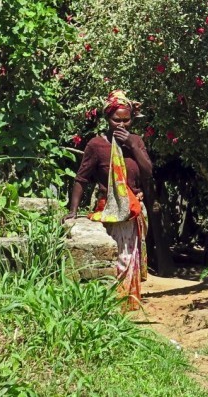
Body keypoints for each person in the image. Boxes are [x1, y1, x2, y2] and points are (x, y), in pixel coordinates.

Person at [63, 90, 153, 310]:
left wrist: (131, 145)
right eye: (116, 120)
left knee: (128, 257)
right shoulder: (96, 145)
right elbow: (82, 178)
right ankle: (112, 304)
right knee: (116, 258)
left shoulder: (136, 142)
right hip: (109, 211)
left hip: (132, 212)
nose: (121, 125)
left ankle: (128, 304)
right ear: (107, 119)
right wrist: (73, 211)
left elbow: (148, 172)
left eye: (126, 120)